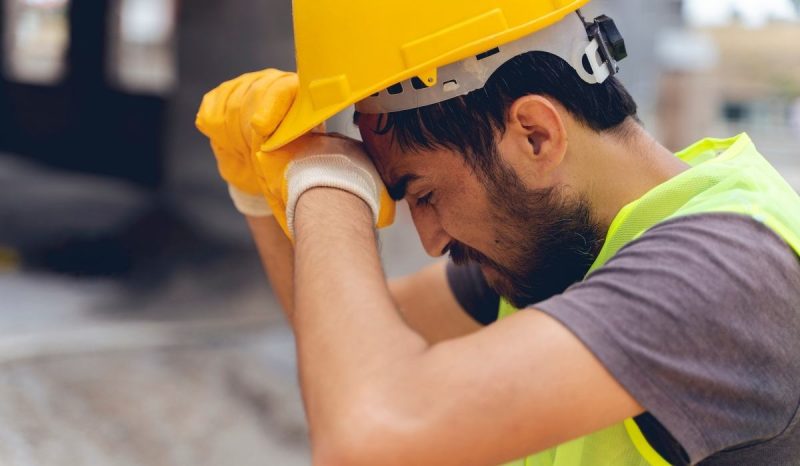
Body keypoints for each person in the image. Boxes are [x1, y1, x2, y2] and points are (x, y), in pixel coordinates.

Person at [195, 2, 800, 465]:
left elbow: (371, 428)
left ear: (535, 134)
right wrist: (257, 188)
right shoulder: (569, 250)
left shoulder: (723, 270)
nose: (429, 239)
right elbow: (338, 353)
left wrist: (326, 180)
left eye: (424, 194)